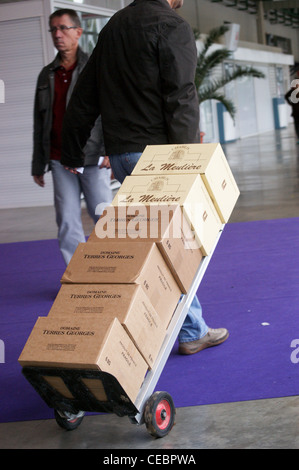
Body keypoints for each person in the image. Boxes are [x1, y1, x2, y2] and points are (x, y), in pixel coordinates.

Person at [61, 0, 228, 355]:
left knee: (159, 245)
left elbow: (84, 97)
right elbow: (181, 94)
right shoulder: (171, 25)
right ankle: (188, 332)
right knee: (177, 247)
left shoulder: (112, 28)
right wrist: (186, 163)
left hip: (121, 155)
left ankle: (185, 328)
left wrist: (73, 151)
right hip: (158, 158)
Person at [32, 8, 112, 265]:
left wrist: (110, 149)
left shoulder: (95, 67)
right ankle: (79, 276)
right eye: (53, 29)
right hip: (58, 158)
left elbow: (110, 109)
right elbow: (41, 120)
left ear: (78, 32)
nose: (57, 34)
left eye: (63, 28)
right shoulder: (47, 74)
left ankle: (114, 271)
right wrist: (38, 163)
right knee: (67, 221)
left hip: (92, 156)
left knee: (104, 218)